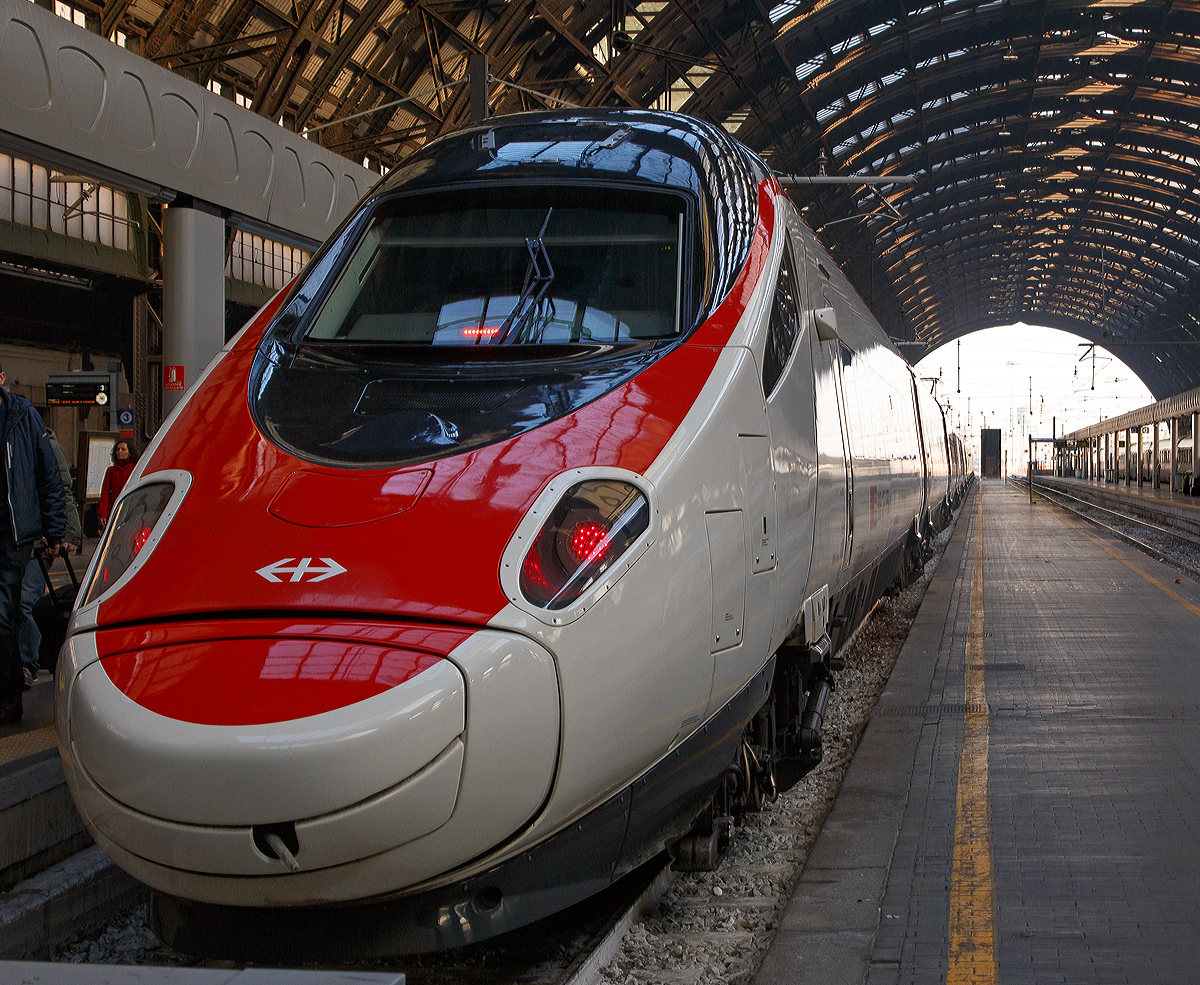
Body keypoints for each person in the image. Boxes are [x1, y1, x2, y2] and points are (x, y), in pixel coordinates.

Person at [0, 365, 66, 724]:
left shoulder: (22, 417)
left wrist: (57, 532)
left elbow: (49, 477)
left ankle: (9, 696)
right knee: (5, 616)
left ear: (2, 378)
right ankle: (12, 694)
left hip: (13, 535)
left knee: (4, 613)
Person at [18, 428, 80, 687]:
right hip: (16, 541)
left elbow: (62, 491)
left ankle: (26, 664)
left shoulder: (45, 445)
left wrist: (69, 535)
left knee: (25, 602)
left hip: (39, 541)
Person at [98, 439, 138, 528]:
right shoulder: (111, 471)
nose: (119, 452)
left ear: (130, 452)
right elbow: (105, 493)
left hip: (132, 510)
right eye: (118, 449)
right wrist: (103, 513)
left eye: (123, 449)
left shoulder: (135, 469)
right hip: (115, 509)